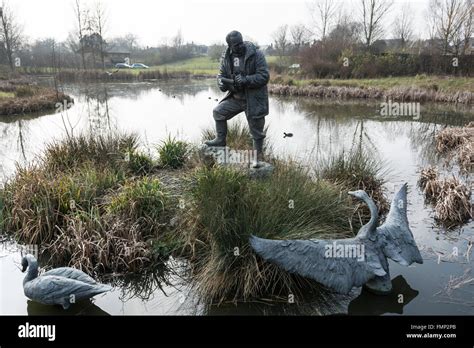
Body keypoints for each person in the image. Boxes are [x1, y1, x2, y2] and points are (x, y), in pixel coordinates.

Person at [205, 30, 270, 168]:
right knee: (218, 112)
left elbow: (264, 76)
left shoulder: (256, 54)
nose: (240, 47)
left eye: (241, 43)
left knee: (257, 131)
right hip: (235, 97)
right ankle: (220, 140)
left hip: (253, 99)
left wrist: (246, 80)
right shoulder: (226, 56)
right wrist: (221, 83)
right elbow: (221, 75)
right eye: (236, 45)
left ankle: (257, 159)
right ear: (230, 45)